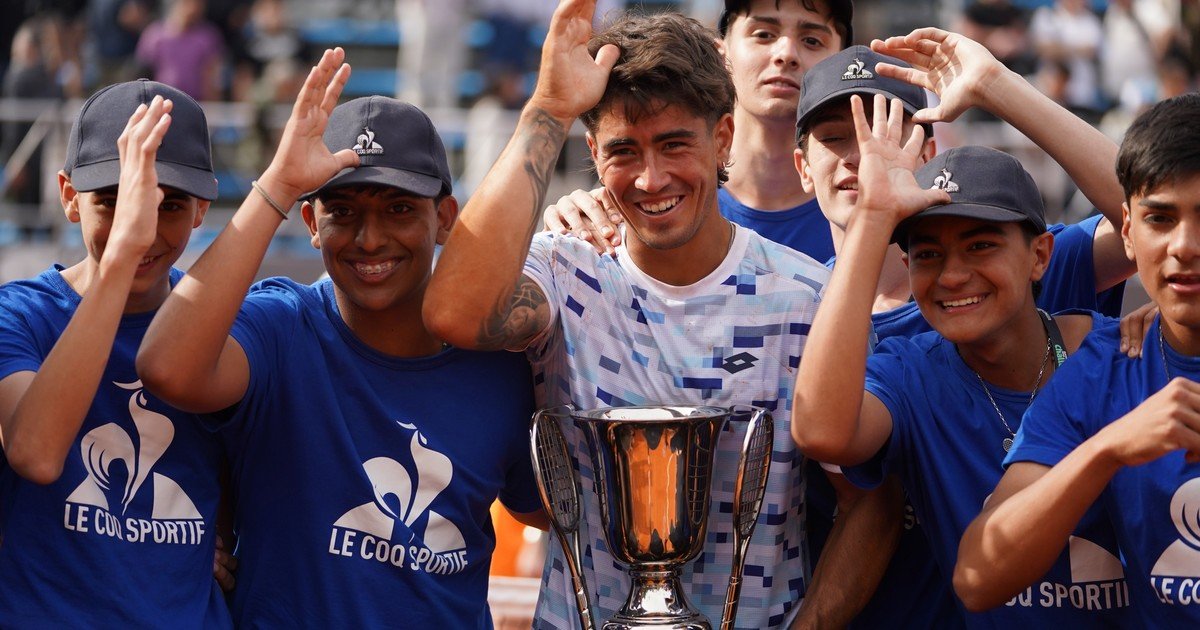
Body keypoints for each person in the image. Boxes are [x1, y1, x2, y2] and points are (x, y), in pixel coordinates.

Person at [423, 2, 831, 628]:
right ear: (591, 152)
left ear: (722, 138)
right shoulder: (564, 273)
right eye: (623, 151)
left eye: (674, 145)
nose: (650, 178)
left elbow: (870, 504)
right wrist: (548, 108)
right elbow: (454, 312)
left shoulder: (806, 295)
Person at [136, 48, 545, 626]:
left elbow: (550, 513)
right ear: (310, 222)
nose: (369, 239)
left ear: (445, 218)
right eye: (343, 212)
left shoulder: (499, 367)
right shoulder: (280, 328)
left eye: (399, 209)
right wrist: (277, 185)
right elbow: (166, 368)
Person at [791, 73, 1132, 628]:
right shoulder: (910, 374)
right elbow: (822, 432)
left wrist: (994, 84)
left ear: (1040, 256)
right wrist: (875, 216)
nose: (953, 275)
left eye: (980, 245)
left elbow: (1158, 222)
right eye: (928, 254)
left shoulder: (1120, 353)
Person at [955, 93, 1200, 626]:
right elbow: (977, 576)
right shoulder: (1101, 370)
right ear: (1128, 233)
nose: (1184, 245)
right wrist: (1106, 449)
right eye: (1161, 218)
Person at [0, 79, 229, 627]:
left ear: (202, 208)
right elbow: (35, 453)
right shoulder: (19, 316)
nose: (142, 228)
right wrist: (120, 256)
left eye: (168, 205)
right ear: (68, 196)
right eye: (115, 201)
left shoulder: (229, 330)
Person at [545, 0, 852, 262]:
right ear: (721, 52)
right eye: (763, 34)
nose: (786, 53)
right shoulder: (646, 202)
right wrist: (568, 228)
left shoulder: (864, 206)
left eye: (812, 40)